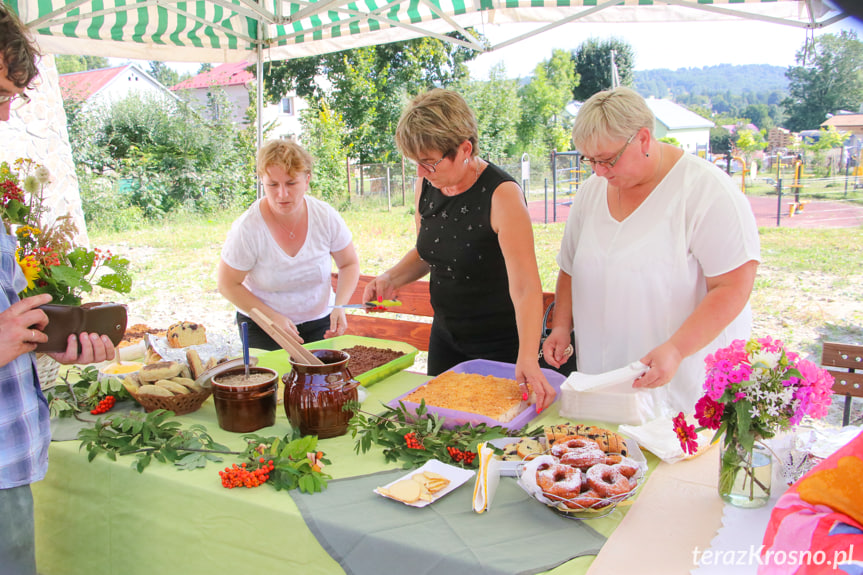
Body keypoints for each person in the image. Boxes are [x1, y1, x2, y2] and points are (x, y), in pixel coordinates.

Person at [541, 86, 760, 415]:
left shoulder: (705, 191)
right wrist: (561, 325)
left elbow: (733, 286)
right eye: (591, 160)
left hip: (677, 386)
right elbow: (570, 268)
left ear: (643, 139)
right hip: (601, 381)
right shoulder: (591, 192)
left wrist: (675, 349)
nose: (599, 171)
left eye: (607, 159)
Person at [1, 6, 115, 575]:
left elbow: (10, 316)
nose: (3, 116)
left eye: (10, 98)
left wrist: (51, 338)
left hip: (10, 465)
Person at [363, 88, 555, 412]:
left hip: (500, 344)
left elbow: (525, 287)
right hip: (446, 337)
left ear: (465, 148)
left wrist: (526, 356)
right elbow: (430, 251)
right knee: (439, 434)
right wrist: (391, 278)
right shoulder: (427, 184)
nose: (422, 172)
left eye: (429, 162)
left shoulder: (502, 195)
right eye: (416, 164)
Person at [218, 138, 359, 350]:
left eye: (291, 183)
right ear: (262, 182)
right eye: (272, 185)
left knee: (320, 382)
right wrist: (272, 317)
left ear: (307, 180)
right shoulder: (248, 227)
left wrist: (339, 305)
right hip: (264, 327)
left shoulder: (325, 216)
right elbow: (227, 284)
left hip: (319, 322)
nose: (282, 194)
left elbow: (349, 264)